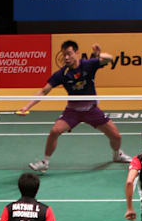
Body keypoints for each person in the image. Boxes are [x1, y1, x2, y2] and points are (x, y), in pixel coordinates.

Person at [20, 40, 131, 172]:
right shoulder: (62, 74)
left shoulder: (88, 65)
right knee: (55, 131)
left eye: (69, 54)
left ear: (77, 53)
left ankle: (117, 155)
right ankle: (45, 162)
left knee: (116, 137)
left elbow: (110, 59)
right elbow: (44, 91)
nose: (66, 57)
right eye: (64, 55)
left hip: (91, 110)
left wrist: (99, 54)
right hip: (73, 111)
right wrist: (27, 107)